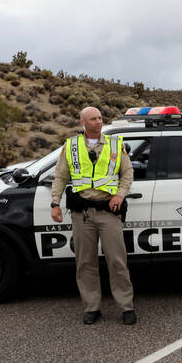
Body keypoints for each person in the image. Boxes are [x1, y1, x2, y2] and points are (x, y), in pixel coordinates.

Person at [51, 106, 136, 325]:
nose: (99, 122)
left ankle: (126, 306)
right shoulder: (70, 146)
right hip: (82, 214)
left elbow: (127, 172)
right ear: (83, 122)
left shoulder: (115, 145)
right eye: (93, 119)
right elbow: (60, 177)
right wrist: (55, 204)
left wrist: (120, 195)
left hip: (108, 211)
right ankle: (92, 307)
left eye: (100, 118)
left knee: (117, 261)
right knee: (85, 262)